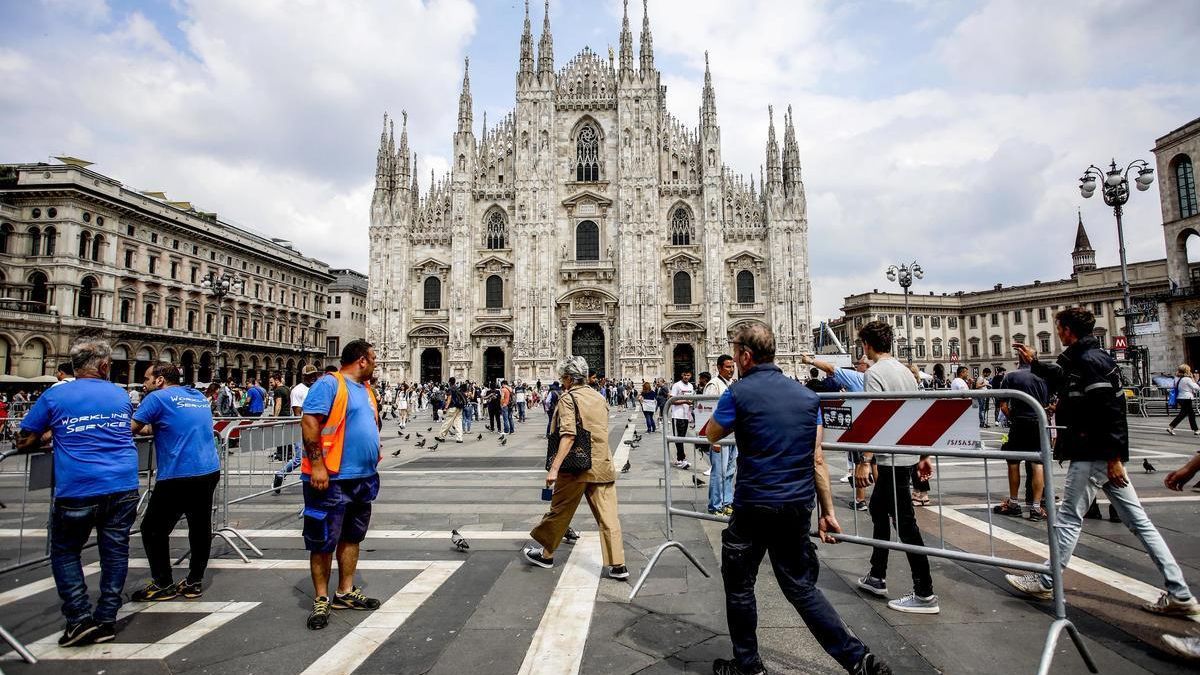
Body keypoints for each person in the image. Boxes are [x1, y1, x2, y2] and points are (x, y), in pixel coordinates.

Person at [705, 324, 891, 675]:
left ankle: (748, 667)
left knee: (740, 585)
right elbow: (817, 458)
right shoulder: (808, 398)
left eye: (735, 353)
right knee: (802, 587)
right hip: (797, 505)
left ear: (745, 356)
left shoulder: (739, 392)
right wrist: (828, 512)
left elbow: (713, 433)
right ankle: (857, 659)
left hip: (754, 504)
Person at [1006, 308, 1198, 616]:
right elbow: (1064, 377)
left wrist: (1113, 457)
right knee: (1140, 524)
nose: (1056, 333)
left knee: (1068, 518)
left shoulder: (1090, 362)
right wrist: (1036, 363)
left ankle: (1045, 580)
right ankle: (1179, 592)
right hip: (1098, 453)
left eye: (1058, 328)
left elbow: (1110, 412)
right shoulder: (1084, 360)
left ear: (1067, 330)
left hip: (1093, 451)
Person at [17, 338, 140, 647]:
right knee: (115, 552)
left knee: (65, 551)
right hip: (123, 485)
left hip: (78, 487)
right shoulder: (119, 394)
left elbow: (25, 439)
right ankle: (107, 618)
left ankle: (79, 618)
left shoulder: (56, 394)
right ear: (103, 366)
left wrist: (50, 435)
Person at [854, 321, 940, 614]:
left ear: (866, 344)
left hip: (890, 459)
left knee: (906, 525)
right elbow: (917, 414)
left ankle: (925, 592)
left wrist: (865, 461)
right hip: (906, 455)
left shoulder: (875, 373)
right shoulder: (906, 371)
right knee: (879, 511)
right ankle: (877, 575)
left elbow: (872, 420)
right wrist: (924, 455)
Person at [299, 339, 384, 630]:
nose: (376, 363)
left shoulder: (367, 390)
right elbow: (310, 421)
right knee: (323, 539)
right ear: (361, 360)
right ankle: (321, 597)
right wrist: (319, 465)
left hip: (362, 478)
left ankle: (345, 591)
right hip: (331, 477)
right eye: (373, 358)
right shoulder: (329, 384)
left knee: (352, 536)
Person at [523, 356, 626, 580]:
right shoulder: (599, 397)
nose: (562, 382)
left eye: (563, 378)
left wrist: (554, 468)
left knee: (560, 510)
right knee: (609, 517)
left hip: (576, 466)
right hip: (602, 464)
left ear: (569, 378)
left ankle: (547, 555)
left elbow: (569, 435)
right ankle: (618, 565)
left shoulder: (568, 399)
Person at [129, 362, 221, 601]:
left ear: (159, 380)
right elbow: (173, 424)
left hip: (179, 473)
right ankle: (194, 581)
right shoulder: (196, 395)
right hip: (208, 469)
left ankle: (163, 582)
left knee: (152, 529)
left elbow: (130, 428)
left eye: (147, 379)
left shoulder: (156, 398)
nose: (145, 384)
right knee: (200, 528)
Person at [804, 353, 873, 509]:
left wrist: (809, 360)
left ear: (866, 366)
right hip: (877, 428)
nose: (857, 365)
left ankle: (860, 499)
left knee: (859, 463)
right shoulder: (878, 379)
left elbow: (830, 368)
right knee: (874, 463)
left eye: (860, 363)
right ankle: (886, 500)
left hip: (861, 428)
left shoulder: (856, 377)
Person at [994, 361, 1050, 521]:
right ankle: (1036, 507)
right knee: (1037, 464)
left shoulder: (1011, 376)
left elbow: (1003, 406)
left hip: (1019, 423)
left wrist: (1013, 418)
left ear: (1019, 360)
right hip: (1038, 422)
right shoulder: (1043, 376)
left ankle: (1013, 503)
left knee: (1013, 463)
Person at [275, 365, 321, 492]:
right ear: (304, 376)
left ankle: (312, 483)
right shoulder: (298, 390)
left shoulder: (317, 388)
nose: (313, 378)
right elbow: (297, 412)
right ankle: (280, 474)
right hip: (300, 427)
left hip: (315, 428)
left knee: (314, 456)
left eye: (314, 375)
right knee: (299, 458)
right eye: (310, 375)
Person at [703, 355, 737, 516]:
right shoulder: (713, 385)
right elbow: (706, 412)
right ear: (718, 368)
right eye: (728, 367)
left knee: (730, 472)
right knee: (719, 472)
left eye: (732, 367)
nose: (731, 370)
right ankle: (715, 505)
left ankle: (727, 502)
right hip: (720, 438)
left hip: (732, 437)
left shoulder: (732, 384)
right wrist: (713, 439)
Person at [670, 371, 695, 469]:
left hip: (685, 416)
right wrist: (685, 401)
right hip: (677, 415)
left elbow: (691, 399)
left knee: (682, 438)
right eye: (684, 375)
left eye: (688, 375)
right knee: (678, 438)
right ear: (681, 375)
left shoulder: (691, 387)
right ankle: (683, 459)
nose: (686, 377)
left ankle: (679, 459)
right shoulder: (676, 385)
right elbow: (672, 400)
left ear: (690, 376)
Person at [1167, 364, 1200, 436]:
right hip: (1186, 398)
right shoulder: (1187, 379)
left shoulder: (1177, 378)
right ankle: (1171, 426)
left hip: (1180, 397)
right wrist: (1195, 380)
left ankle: (1196, 429)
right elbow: (1196, 388)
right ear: (1187, 370)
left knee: (1187, 413)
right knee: (1187, 413)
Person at [435, 377, 465, 443]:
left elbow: (449, 398)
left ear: (449, 382)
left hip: (452, 408)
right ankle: (459, 438)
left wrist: (445, 408)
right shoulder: (458, 388)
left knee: (447, 422)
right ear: (454, 382)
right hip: (459, 407)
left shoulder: (450, 389)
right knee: (458, 423)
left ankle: (441, 437)